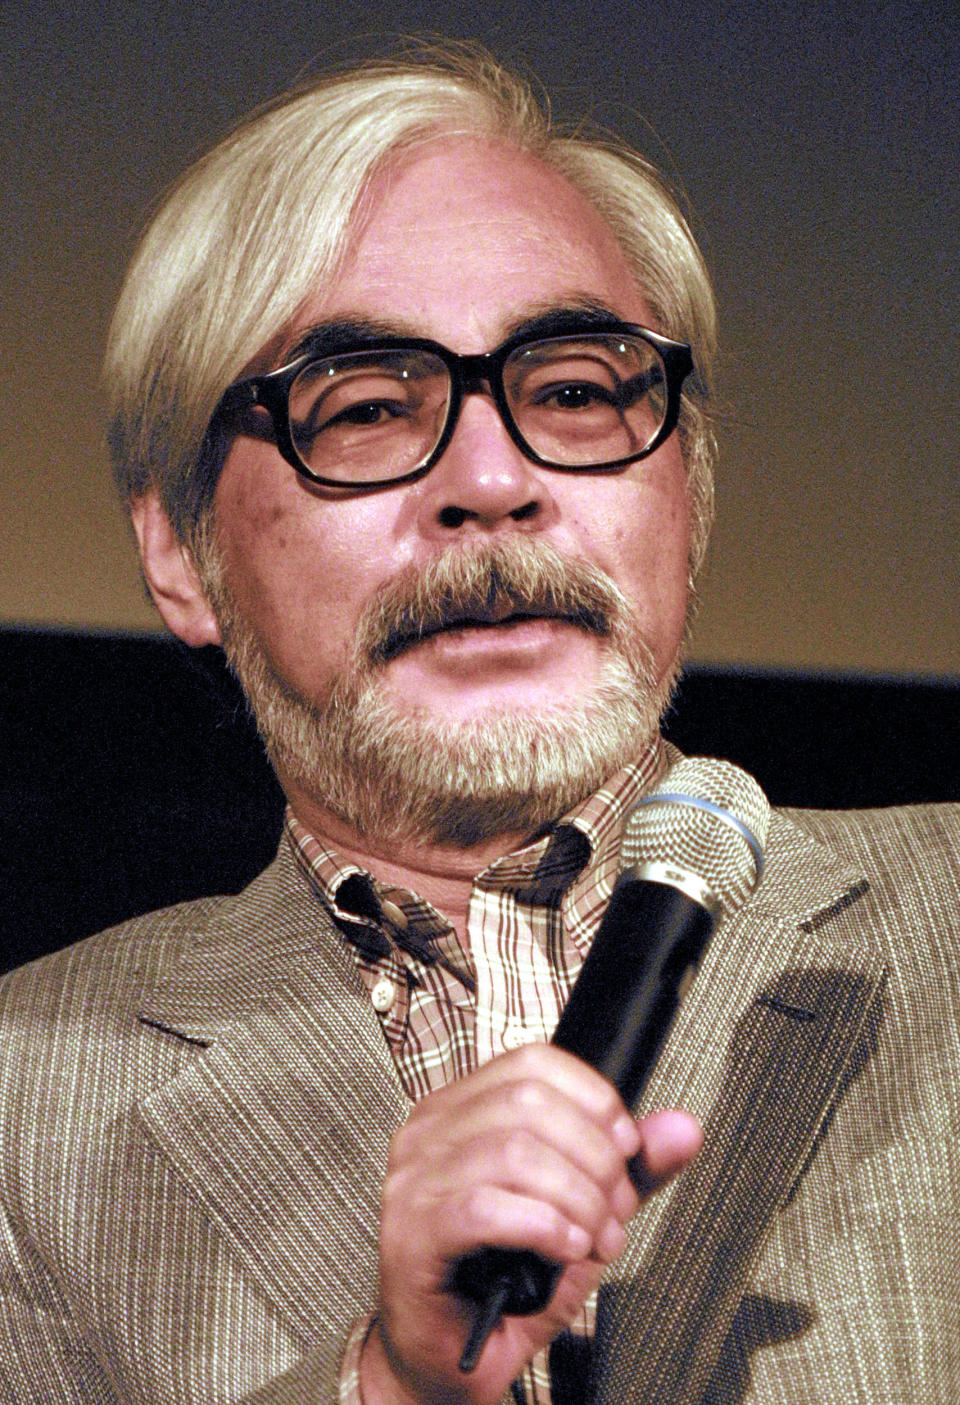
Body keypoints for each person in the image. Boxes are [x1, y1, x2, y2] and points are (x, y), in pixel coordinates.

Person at [0, 42, 956, 1405]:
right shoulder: (18, 1110)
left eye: (573, 387)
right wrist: (389, 1380)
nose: (494, 478)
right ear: (180, 554)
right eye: (372, 409)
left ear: (688, 492)